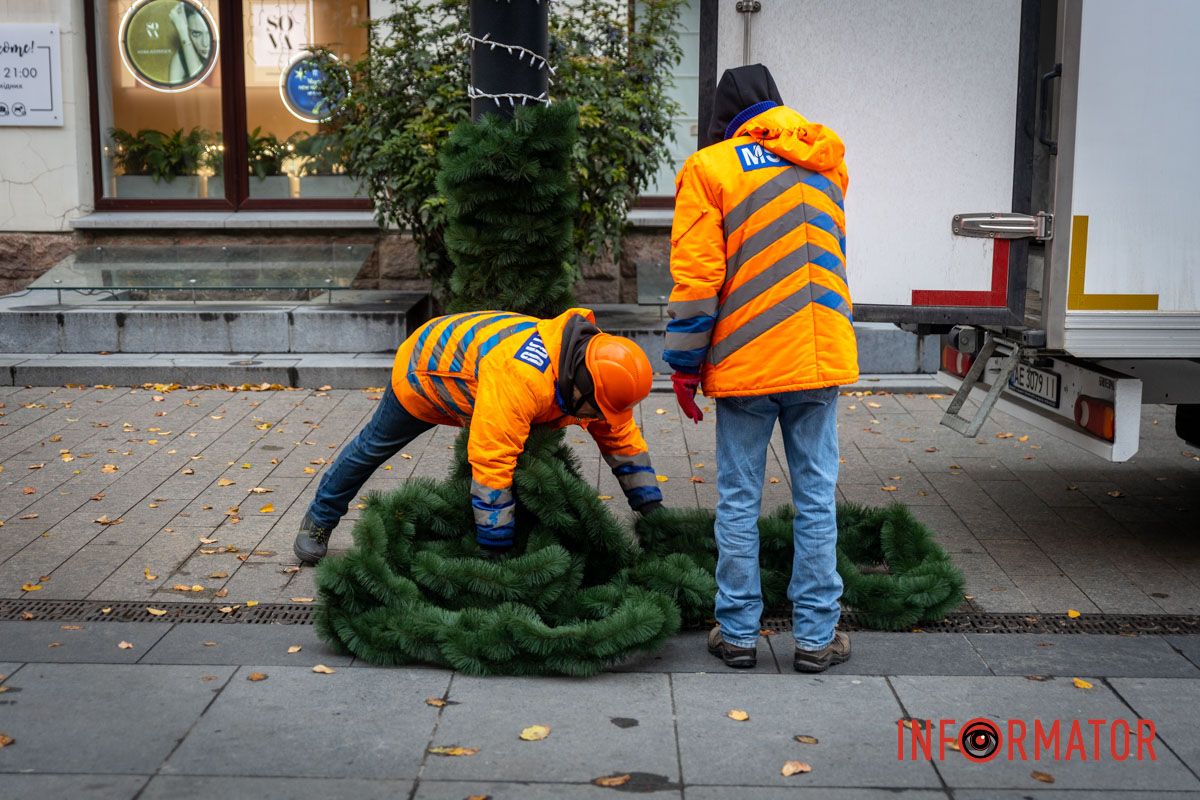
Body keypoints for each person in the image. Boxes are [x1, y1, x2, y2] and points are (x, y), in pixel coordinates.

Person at [663, 64, 857, 673]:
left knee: (740, 499)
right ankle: (817, 639)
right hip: (820, 356)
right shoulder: (825, 161)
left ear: (725, 119)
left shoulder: (710, 169)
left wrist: (683, 366)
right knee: (817, 499)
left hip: (748, 362)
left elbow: (697, 283)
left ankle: (739, 633)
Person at [294, 307, 664, 564]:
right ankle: (319, 519)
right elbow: (491, 461)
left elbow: (620, 437)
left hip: (482, 372)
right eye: (597, 409)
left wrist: (654, 514)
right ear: (581, 385)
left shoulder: (591, 368)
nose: (601, 418)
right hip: (428, 371)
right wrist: (495, 550)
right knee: (371, 449)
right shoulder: (522, 379)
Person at [168, 2, 211, 84]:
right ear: (187, 31)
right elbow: (173, 95)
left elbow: (199, 80)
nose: (205, 43)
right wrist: (183, 32)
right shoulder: (181, 57)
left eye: (209, 33)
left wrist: (184, 35)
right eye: (196, 34)